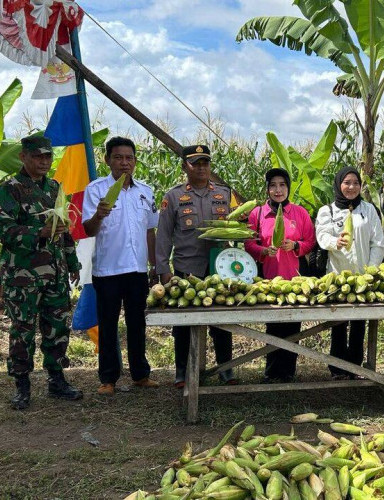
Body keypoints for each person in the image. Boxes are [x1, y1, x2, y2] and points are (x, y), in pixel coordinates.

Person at [0, 136, 83, 410]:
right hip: (23, 275)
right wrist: (39, 232)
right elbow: (5, 231)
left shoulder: (55, 187)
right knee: (23, 330)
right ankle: (22, 385)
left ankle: (57, 380)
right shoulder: (10, 189)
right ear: (23, 157)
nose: (44, 162)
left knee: (57, 328)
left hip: (55, 273)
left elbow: (65, 229)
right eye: (38, 157)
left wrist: (72, 263)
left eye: (48, 157)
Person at [82, 136, 159, 396]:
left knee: (137, 323)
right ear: (107, 160)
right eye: (118, 157)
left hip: (137, 269)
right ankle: (108, 378)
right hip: (107, 270)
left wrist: (154, 264)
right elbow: (88, 230)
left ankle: (140, 374)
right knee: (108, 324)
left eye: (129, 158)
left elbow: (150, 230)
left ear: (135, 162)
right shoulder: (95, 190)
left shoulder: (145, 191)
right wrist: (98, 215)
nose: (124, 163)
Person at [155, 145, 236, 388]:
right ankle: (182, 371)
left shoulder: (223, 193)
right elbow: (164, 236)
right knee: (184, 324)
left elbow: (233, 229)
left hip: (218, 268)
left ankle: (226, 370)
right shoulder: (174, 197)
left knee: (222, 322)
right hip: (186, 269)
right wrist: (163, 269)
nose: (201, 167)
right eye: (196, 163)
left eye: (205, 163)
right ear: (184, 166)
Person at [244, 168, 315, 383]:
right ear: (267, 189)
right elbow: (249, 243)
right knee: (273, 326)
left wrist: (296, 245)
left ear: (288, 188)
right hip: (268, 279)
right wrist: (263, 251)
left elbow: (311, 242)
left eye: (282, 185)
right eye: (273, 185)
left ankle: (288, 372)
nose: (278, 190)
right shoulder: (257, 214)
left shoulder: (299, 213)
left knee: (293, 326)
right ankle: (272, 371)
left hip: (294, 279)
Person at [316, 167, 384, 379]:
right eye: (347, 182)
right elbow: (322, 237)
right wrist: (335, 242)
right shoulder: (327, 210)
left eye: (356, 183)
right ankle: (337, 368)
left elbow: (378, 243)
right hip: (337, 275)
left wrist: (369, 272)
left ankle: (354, 366)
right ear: (338, 184)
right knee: (338, 323)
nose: (352, 187)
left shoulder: (369, 209)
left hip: (363, 275)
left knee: (358, 323)